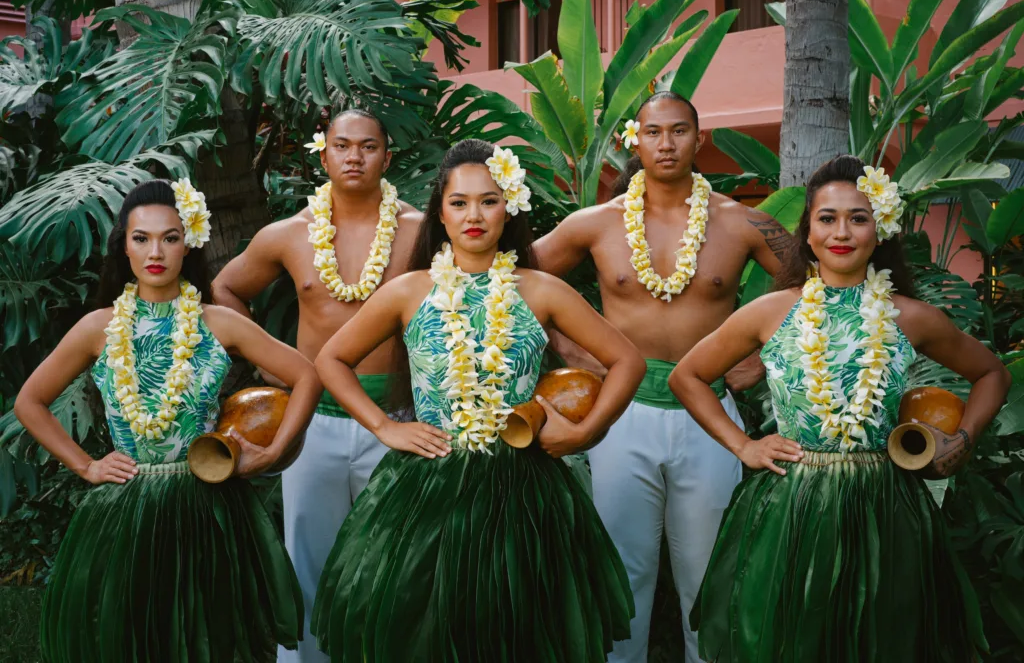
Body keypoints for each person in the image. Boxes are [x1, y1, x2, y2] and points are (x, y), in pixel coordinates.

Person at [310, 139, 646, 662]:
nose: (474, 215)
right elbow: (331, 359)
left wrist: (585, 432)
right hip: (427, 480)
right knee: (423, 626)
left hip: (523, 484)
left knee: (518, 631)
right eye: (459, 202)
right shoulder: (409, 291)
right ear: (439, 214)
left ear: (507, 209)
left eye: (489, 201)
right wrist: (385, 426)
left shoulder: (541, 290)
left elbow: (628, 362)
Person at [670, 154, 1009, 662]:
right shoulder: (771, 311)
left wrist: (964, 437)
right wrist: (743, 444)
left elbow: (992, 374)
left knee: (883, 641)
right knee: (788, 638)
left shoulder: (911, 317)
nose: (841, 232)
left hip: (886, 502)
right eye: (827, 218)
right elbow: (688, 376)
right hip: (794, 498)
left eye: (858, 217)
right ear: (807, 232)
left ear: (880, 231)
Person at [532, 90, 791, 662]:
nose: (666, 143)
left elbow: (814, 288)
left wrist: (766, 354)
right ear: (636, 141)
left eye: (678, 132)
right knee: (624, 574)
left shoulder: (742, 222)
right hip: (621, 414)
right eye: (653, 132)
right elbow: (519, 280)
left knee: (708, 575)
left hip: (711, 414)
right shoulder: (595, 224)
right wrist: (571, 347)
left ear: (699, 141)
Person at [15, 179, 319, 663]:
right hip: (130, 504)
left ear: (187, 242)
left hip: (209, 504)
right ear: (125, 247)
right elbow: (30, 402)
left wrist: (275, 450)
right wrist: (87, 466)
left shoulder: (218, 322)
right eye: (142, 238)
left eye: (170, 237)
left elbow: (305, 375)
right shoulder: (98, 327)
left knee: (213, 637)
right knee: (133, 639)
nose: (155, 251)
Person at [212, 108, 423, 663]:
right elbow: (227, 288)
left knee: (395, 561)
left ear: (387, 156)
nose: (354, 157)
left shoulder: (422, 232)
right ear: (322, 154)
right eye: (343, 146)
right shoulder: (289, 234)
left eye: (368, 146)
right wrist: (274, 367)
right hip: (312, 423)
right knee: (309, 558)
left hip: (398, 419)